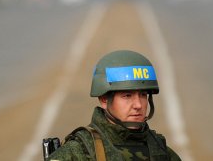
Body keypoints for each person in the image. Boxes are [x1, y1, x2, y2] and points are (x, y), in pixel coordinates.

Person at [47, 49, 182, 161]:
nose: (138, 105)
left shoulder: (159, 148)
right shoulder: (79, 151)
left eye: (143, 95)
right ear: (104, 100)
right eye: (127, 96)